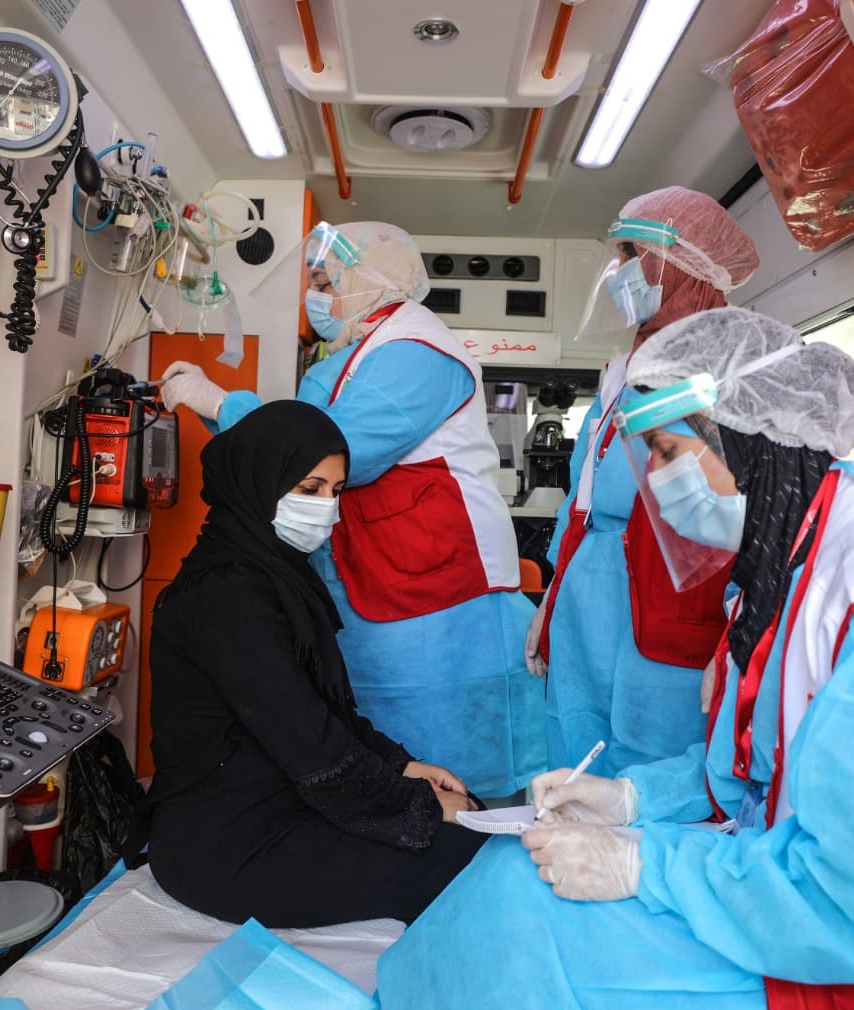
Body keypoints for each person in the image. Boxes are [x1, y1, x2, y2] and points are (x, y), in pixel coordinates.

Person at [377, 309, 854, 1010]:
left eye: (666, 451)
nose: (657, 485)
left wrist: (643, 864)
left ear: (747, 434)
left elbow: (853, 902)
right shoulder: (796, 555)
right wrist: (633, 801)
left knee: (539, 954)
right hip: (800, 903)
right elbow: (764, 771)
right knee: (511, 875)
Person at [160, 221, 545, 799]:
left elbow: (321, 448)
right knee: (384, 760)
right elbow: (293, 439)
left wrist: (221, 402)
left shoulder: (417, 350)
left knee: (462, 781)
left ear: (368, 280)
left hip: (437, 599)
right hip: (381, 585)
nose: (314, 294)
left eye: (324, 280)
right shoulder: (351, 356)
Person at [146, 400, 484, 926]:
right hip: (226, 841)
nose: (327, 506)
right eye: (309, 489)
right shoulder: (227, 595)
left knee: (470, 822)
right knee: (462, 856)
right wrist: (413, 801)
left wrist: (404, 767)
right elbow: (307, 741)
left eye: (335, 490)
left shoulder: (275, 577)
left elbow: (324, 710)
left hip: (281, 804)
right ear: (259, 481)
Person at [528, 186, 760, 776]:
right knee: (573, 741)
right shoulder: (622, 371)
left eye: (633, 255)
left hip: (675, 586)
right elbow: (583, 491)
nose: (620, 273)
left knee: (653, 756)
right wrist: (553, 595)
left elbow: (756, 519)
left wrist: (745, 630)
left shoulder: (732, 366)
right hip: (590, 586)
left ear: (681, 264)